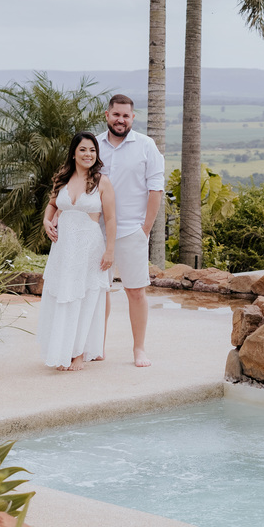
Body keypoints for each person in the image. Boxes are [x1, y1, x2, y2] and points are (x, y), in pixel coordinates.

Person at [38, 131, 117, 371]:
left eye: (92, 150)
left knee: (85, 297)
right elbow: (52, 205)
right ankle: (62, 350)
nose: (88, 154)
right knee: (64, 295)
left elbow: (111, 219)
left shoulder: (102, 182)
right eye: (83, 149)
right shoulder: (62, 178)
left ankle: (79, 354)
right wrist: (46, 221)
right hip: (63, 248)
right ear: (74, 153)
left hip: (90, 247)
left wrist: (110, 251)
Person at [98, 94, 164, 367]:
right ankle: (96, 346)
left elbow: (156, 190)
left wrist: (144, 229)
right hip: (97, 231)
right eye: (116, 114)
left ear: (133, 118)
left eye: (126, 116)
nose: (121, 120)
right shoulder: (93, 145)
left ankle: (139, 349)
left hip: (131, 231)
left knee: (135, 291)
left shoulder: (147, 146)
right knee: (98, 292)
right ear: (107, 115)